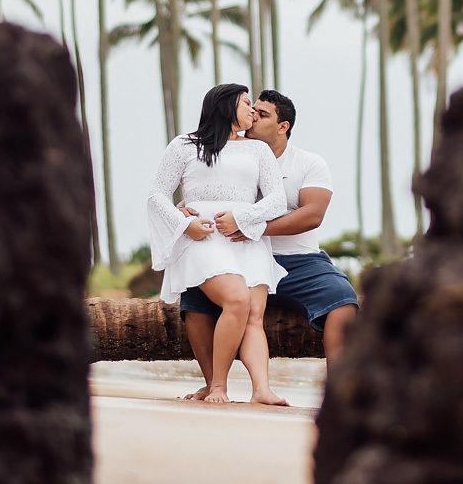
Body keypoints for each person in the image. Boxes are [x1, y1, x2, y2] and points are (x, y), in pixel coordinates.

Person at [179, 89, 360, 400]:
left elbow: (312, 215)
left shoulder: (309, 163)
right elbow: (206, 195)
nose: (252, 116)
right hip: (235, 257)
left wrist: (252, 227)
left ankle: (339, 394)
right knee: (193, 303)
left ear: (282, 126)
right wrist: (182, 212)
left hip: (298, 260)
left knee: (343, 299)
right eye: (252, 109)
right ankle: (214, 384)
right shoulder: (228, 154)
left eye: (262, 114)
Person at [146, 84, 289, 405]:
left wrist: (243, 218)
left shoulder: (258, 150)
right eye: (246, 103)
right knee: (237, 300)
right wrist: (186, 224)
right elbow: (157, 196)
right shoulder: (185, 145)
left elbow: (277, 199)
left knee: (253, 314)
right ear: (226, 107)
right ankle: (218, 386)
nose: (252, 110)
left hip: (244, 236)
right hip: (203, 236)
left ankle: (261, 390)